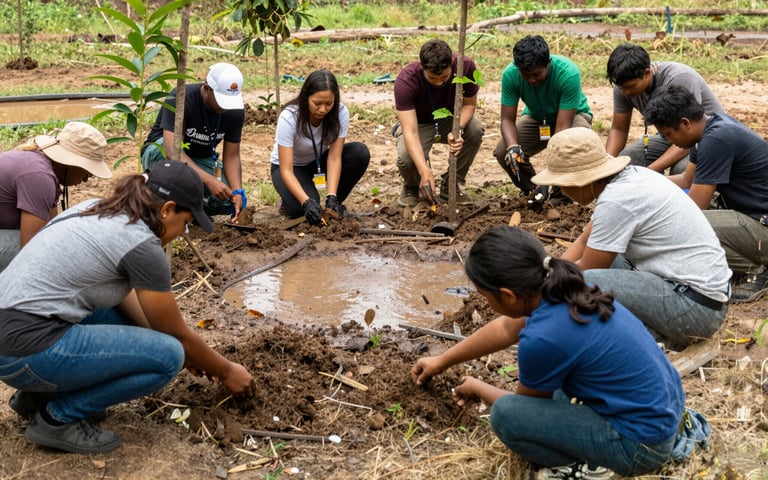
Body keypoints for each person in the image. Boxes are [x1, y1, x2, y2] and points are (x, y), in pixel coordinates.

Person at [0, 160, 254, 454]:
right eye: (185, 223)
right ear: (167, 209)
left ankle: (35, 397)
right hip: (25, 350)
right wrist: (226, 371)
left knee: (157, 341)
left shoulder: (99, 208)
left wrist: (192, 354)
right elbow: (177, 336)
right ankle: (57, 418)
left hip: (12, 337)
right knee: (169, 356)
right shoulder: (141, 245)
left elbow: (133, 307)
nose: (182, 232)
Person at [412, 226, 685, 479]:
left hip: (640, 446)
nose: (484, 301)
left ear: (508, 296)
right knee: (559, 384)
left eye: (485, 296)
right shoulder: (570, 288)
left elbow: (524, 410)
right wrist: (442, 360)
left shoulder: (542, 338)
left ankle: (583, 469)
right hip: (664, 414)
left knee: (505, 416)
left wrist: (478, 387)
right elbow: (506, 329)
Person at [529, 127, 730, 350]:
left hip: (695, 310)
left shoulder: (617, 200)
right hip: (703, 297)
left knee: (584, 283)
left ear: (582, 180)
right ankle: (646, 332)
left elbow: (586, 268)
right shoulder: (629, 177)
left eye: (564, 185)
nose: (564, 192)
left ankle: (653, 337)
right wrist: (550, 270)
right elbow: (585, 242)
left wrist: (541, 292)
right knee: (597, 263)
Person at [644, 85, 768, 302]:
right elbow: (685, 180)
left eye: (668, 135)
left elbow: (694, 209)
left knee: (683, 225)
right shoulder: (708, 130)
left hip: (762, 227)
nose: (670, 142)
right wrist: (644, 183)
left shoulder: (717, 139)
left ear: (685, 123)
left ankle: (756, 271)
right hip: (751, 217)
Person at [0, 121, 112, 272]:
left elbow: (51, 227)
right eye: (88, 172)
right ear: (72, 163)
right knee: (55, 251)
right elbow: (30, 250)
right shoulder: (39, 177)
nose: (86, 179)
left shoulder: (39, 165)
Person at [493, 35, 591, 205]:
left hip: (572, 117)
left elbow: (561, 133)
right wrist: (513, 148)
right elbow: (507, 120)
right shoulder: (510, 75)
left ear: (548, 63)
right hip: (537, 117)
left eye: (537, 74)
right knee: (503, 150)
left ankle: (561, 196)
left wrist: (548, 177)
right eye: (526, 75)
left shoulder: (568, 73)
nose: (531, 80)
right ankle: (533, 191)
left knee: (570, 145)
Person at [141, 62, 246, 221]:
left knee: (226, 199)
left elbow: (232, 156)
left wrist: (238, 191)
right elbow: (172, 152)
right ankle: (166, 206)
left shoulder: (235, 109)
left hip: (201, 159)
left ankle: (192, 212)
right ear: (206, 89)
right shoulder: (181, 98)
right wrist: (209, 181)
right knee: (169, 154)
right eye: (220, 100)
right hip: (161, 154)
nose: (224, 107)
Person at [605, 43, 723, 174]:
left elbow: (689, 130)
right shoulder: (623, 86)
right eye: (621, 87)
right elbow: (618, 129)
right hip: (671, 135)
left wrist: (649, 172)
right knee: (631, 156)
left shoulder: (679, 78)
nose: (625, 92)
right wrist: (606, 166)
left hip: (703, 137)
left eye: (631, 86)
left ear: (647, 73)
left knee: (680, 169)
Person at [271, 69, 370, 224]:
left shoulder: (340, 113)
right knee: (302, 210)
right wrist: (307, 202)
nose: (323, 109)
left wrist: (332, 196)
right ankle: (288, 202)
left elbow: (334, 158)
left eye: (328, 103)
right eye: (317, 103)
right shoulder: (289, 117)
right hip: (291, 167)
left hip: (318, 161)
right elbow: (286, 169)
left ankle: (333, 206)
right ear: (306, 97)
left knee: (359, 153)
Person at [393, 39, 483, 206]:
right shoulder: (406, 81)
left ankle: (451, 184)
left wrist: (458, 130)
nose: (439, 82)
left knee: (475, 129)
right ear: (421, 67)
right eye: (432, 78)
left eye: (444, 77)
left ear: (453, 64)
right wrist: (425, 171)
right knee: (406, 156)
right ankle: (412, 185)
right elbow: (410, 131)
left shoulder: (466, 67)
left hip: (450, 120)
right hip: (419, 124)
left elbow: (469, 105)